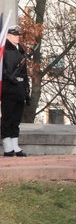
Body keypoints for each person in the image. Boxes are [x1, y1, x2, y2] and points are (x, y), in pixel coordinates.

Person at [1, 25, 31, 157]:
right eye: (15, 35)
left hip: (20, 88)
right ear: (7, 36)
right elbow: (3, 69)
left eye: (18, 35)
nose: (18, 37)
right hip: (9, 88)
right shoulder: (4, 50)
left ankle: (14, 143)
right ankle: (7, 145)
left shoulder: (21, 50)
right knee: (8, 116)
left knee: (16, 117)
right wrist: (10, 77)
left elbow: (24, 72)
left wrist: (26, 89)